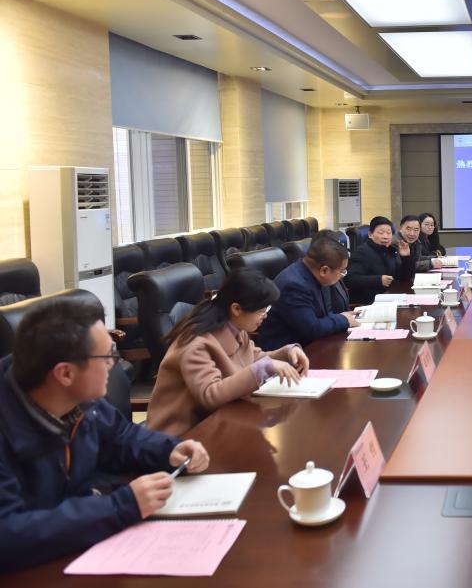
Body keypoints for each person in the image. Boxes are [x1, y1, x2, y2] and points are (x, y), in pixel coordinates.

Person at [0, 296, 210, 572]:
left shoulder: (82, 402)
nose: (114, 363)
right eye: (107, 356)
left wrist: (168, 450)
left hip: (77, 550)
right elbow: (8, 534)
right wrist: (120, 506)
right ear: (65, 374)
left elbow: (121, 437)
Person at [147, 268, 311, 437]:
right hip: (181, 436)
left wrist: (286, 353)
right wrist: (264, 367)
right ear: (237, 309)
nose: (265, 316)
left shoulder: (235, 327)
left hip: (218, 422)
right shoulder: (196, 343)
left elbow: (253, 358)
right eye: (261, 311)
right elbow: (210, 394)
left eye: (266, 310)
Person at [258, 236, 360, 348]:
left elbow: (323, 315)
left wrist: (342, 317)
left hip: (311, 344)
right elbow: (311, 329)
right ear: (324, 270)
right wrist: (343, 319)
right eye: (342, 271)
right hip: (288, 352)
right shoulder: (294, 286)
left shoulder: (314, 275)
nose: (342, 275)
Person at [344, 216, 416, 304]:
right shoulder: (361, 252)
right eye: (381, 233)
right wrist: (378, 280)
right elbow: (349, 280)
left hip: (390, 297)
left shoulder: (390, 250)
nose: (385, 236)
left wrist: (406, 257)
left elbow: (403, 277)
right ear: (370, 234)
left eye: (389, 233)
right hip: (369, 302)